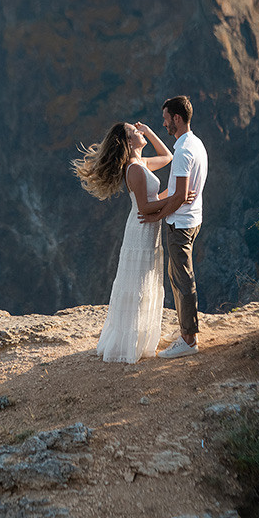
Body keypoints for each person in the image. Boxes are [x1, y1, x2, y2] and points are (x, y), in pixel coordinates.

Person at [72, 120, 173, 363]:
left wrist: (149, 132)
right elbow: (145, 207)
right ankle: (127, 345)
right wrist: (175, 196)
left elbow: (167, 156)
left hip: (147, 225)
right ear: (128, 141)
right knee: (136, 283)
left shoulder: (140, 163)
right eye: (135, 131)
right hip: (141, 228)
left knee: (143, 281)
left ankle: (137, 339)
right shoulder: (135, 168)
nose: (139, 132)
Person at [139, 95, 208, 358]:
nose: (165, 124)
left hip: (180, 224)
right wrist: (161, 202)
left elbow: (179, 196)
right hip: (192, 218)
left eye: (166, 120)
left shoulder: (182, 151)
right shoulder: (196, 144)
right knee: (177, 276)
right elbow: (180, 191)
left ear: (176, 118)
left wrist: (157, 216)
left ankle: (189, 341)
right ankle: (185, 329)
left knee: (182, 279)